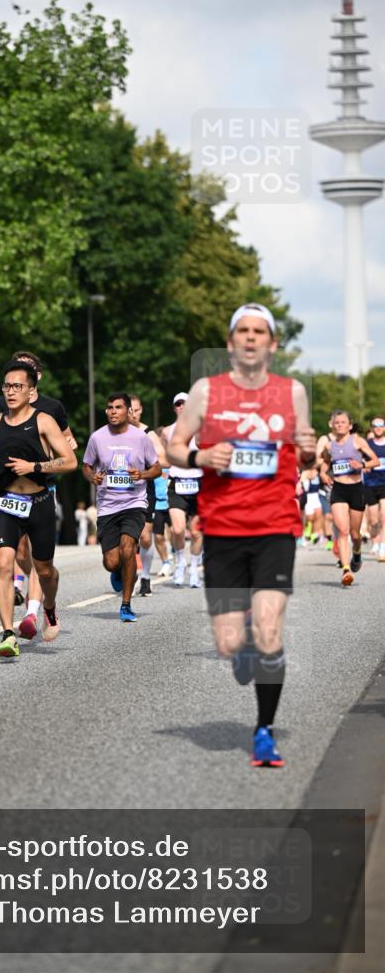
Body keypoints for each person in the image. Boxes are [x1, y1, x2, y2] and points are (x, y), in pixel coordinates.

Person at [167, 303, 317, 767]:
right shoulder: (206, 392)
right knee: (229, 645)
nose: (251, 338)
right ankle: (243, 639)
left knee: (271, 630)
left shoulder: (291, 392)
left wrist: (308, 452)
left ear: (272, 343)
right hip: (223, 529)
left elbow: (306, 454)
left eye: (260, 331)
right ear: (231, 342)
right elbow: (174, 447)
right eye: (243, 331)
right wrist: (201, 458)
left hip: (275, 525)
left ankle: (264, 730)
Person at [0, 360, 77, 658]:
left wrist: (35, 467)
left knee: (44, 570)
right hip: (6, 502)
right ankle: (8, 634)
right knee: (3, 563)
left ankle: (49, 607)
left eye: (17, 386)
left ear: (31, 391)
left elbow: (70, 461)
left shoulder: (44, 420)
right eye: (6, 386)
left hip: (39, 503)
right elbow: (3, 453)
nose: (10, 391)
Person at [83, 393, 161, 623]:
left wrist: (142, 474)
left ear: (129, 411)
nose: (113, 411)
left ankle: (126, 605)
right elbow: (86, 466)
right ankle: (121, 570)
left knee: (128, 548)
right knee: (111, 562)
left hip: (134, 503)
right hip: (107, 506)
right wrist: (92, 477)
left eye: (118, 407)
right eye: (110, 407)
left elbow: (157, 468)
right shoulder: (97, 437)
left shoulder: (141, 438)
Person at [317, 410, 378, 586]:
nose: (340, 425)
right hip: (338, 489)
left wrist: (362, 464)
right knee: (342, 531)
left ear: (350, 426)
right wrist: (323, 474)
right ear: (332, 425)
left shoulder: (358, 441)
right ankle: (346, 570)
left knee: (354, 534)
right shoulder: (329, 446)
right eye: (337, 423)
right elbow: (325, 463)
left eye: (343, 422)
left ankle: (357, 553)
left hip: (356, 489)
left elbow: (375, 461)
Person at [163, 393, 204, 588]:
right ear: (174, 408)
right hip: (177, 484)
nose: (181, 407)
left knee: (196, 533)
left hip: (198, 484)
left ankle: (194, 567)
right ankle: (180, 562)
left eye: (185, 404)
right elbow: (164, 458)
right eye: (178, 404)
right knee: (178, 529)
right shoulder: (167, 432)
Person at [128, 395, 166, 596]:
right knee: (126, 537)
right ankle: (127, 573)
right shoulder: (114, 432)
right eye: (129, 410)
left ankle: (145, 577)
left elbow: (165, 460)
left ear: (141, 410)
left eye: (136, 410)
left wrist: (145, 458)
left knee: (144, 537)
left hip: (144, 489)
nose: (133, 414)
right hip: (121, 491)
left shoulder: (148, 434)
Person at [364, 416, 385, 562]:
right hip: (370, 484)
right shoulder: (367, 444)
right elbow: (358, 458)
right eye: (375, 425)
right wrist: (363, 465)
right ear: (372, 428)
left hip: (384, 484)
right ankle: (375, 541)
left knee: (384, 516)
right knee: (373, 520)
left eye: (381, 425)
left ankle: (383, 546)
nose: (378, 428)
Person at [152, 469, 172, 578]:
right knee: (158, 536)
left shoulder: (174, 467)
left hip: (173, 505)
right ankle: (165, 563)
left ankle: (177, 553)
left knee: (175, 532)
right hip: (158, 506)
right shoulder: (153, 468)